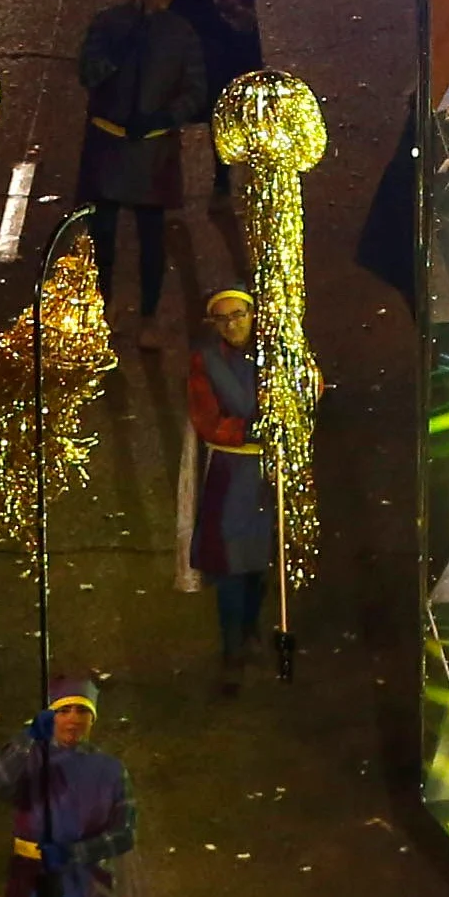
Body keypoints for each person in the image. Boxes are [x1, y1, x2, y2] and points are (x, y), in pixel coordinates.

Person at [72, 0, 208, 332]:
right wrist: (119, 49)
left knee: (152, 240)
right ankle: (105, 303)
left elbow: (195, 90)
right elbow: (89, 73)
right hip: (109, 145)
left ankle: (149, 315)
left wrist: (165, 117)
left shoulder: (182, 33)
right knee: (103, 236)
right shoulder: (109, 24)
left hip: (153, 149)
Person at [0, 681, 141, 897]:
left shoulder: (110, 769)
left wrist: (74, 853)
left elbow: (125, 833)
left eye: (82, 711)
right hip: (31, 877)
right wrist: (27, 739)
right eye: (63, 710)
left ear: (93, 718)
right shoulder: (30, 758)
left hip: (86, 883)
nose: (73, 719)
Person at [180, 289, 284, 691]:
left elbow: (313, 385)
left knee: (262, 561)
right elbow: (207, 419)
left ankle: (251, 628)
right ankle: (232, 649)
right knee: (229, 565)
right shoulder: (206, 362)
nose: (233, 324)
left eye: (239, 315)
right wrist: (249, 430)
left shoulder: (277, 352)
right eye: (223, 319)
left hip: (268, 470)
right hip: (231, 470)